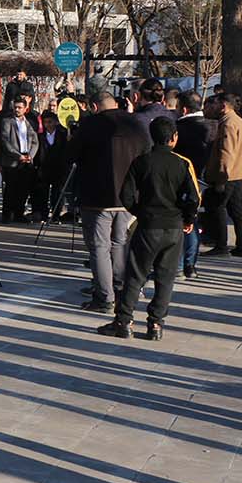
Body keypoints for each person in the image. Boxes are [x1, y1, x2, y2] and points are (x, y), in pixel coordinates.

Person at [98, 118, 199, 341]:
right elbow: (193, 197)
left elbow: (126, 195)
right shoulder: (182, 164)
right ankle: (156, 325)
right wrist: (188, 217)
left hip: (148, 225)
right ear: (173, 137)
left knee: (136, 276)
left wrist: (140, 211)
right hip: (173, 227)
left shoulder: (141, 162)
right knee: (166, 278)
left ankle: (124, 321)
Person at [67, 92, 149, 312]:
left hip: (97, 197)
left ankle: (105, 297)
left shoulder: (91, 124)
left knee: (99, 247)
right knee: (120, 243)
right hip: (128, 197)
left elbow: (71, 155)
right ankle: (121, 289)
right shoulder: (136, 124)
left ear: (94, 106)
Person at [202, 92, 242, 257]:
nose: (212, 107)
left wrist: (221, 178)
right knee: (237, 211)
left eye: (215, 104)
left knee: (218, 208)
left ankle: (221, 245)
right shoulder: (241, 122)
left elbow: (226, 153)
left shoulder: (228, 124)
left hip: (228, 174)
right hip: (239, 173)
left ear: (223, 106)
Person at [175, 92, 213, 278]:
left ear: (183, 108)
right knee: (193, 220)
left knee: (184, 223)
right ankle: (190, 264)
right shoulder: (212, 126)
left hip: (183, 180)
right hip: (204, 180)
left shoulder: (179, 128)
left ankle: (181, 264)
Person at [0, 97, 39, 223]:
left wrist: (30, 155)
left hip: (27, 159)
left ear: (26, 109)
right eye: (15, 107)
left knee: (23, 189)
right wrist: (17, 155)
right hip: (12, 160)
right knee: (10, 189)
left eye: (20, 107)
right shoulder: (7, 121)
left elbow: (35, 141)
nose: (17, 110)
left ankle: (19, 214)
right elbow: (5, 141)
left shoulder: (29, 122)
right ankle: (7, 215)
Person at [32, 111, 70, 221]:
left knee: (57, 193)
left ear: (56, 122)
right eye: (45, 122)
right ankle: (43, 213)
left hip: (58, 168)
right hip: (44, 168)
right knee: (43, 193)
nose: (48, 124)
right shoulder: (41, 136)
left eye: (50, 122)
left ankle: (56, 214)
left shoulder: (62, 136)